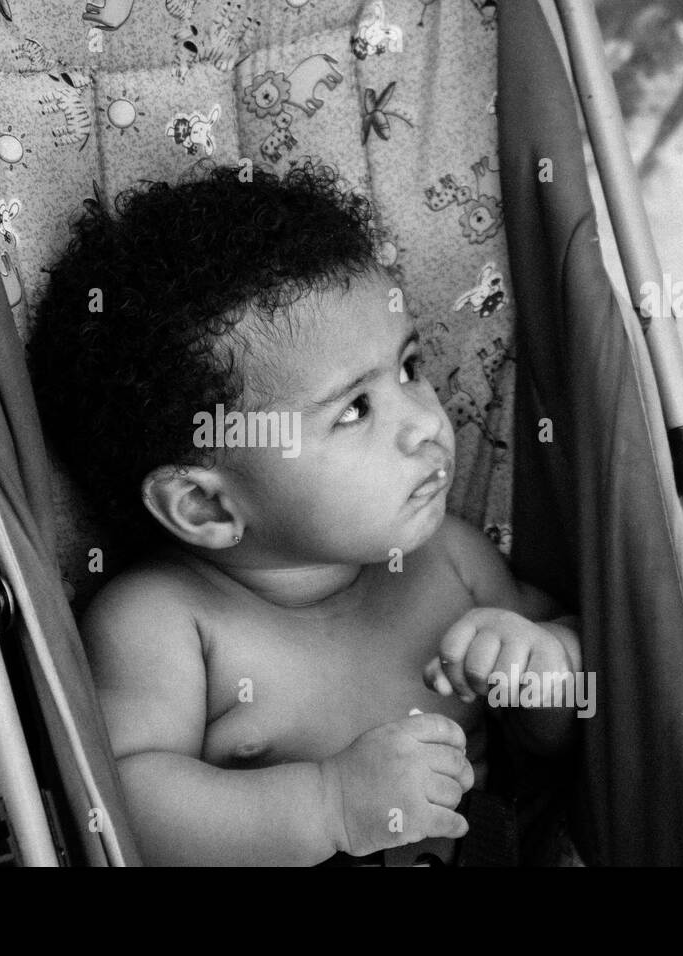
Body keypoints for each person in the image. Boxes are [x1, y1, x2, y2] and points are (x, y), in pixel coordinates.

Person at [29, 159, 583, 866]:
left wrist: (545, 665)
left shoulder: (452, 562)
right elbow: (120, 803)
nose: (424, 423)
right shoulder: (165, 624)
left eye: (409, 367)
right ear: (206, 505)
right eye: (355, 409)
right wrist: (327, 804)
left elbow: (555, 735)